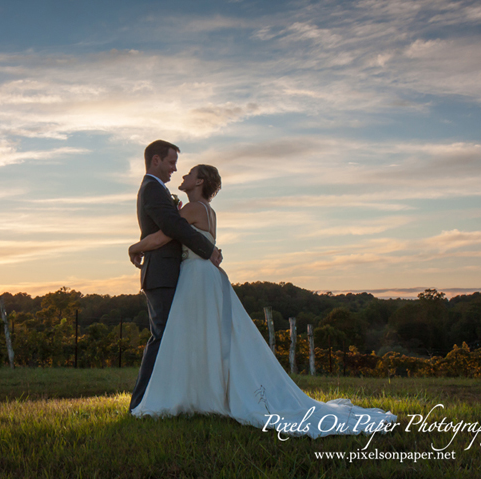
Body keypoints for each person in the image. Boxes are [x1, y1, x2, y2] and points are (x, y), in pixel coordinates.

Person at [128, 164, 397, 438]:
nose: (182, 176)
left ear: (199, 182)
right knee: (209, 337)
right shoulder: (210, 211)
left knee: (194, 337)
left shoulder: (192, 209)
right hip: (208, 277)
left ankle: (196, 394)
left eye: (189, 174)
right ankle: (205, 393)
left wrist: (134, 247)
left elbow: (163, 236)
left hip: (195, 278)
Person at [128, 140, 223, 413]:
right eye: (171, 163)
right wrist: (209, 250)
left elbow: (168, 229)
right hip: (163, 274)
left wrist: (136, 247)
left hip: (178, 274)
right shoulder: (153, 189)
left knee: (170, 337)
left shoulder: (162, 193)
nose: (175, 170)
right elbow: (170, 227)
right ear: (155, 160)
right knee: (163, 337)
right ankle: (142, 402)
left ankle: (165, 399)